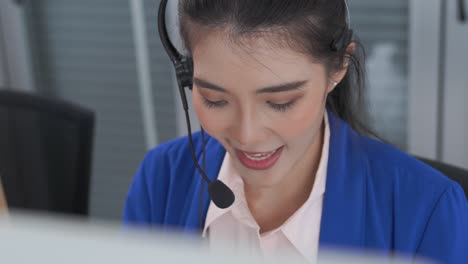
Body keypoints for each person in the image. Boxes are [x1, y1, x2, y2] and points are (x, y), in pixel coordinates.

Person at [123, 0, 468, 263]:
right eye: (215, 100)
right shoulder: (162, 178)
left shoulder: (426, 210)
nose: (248, 135)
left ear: (338, 66)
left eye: (281, 102)